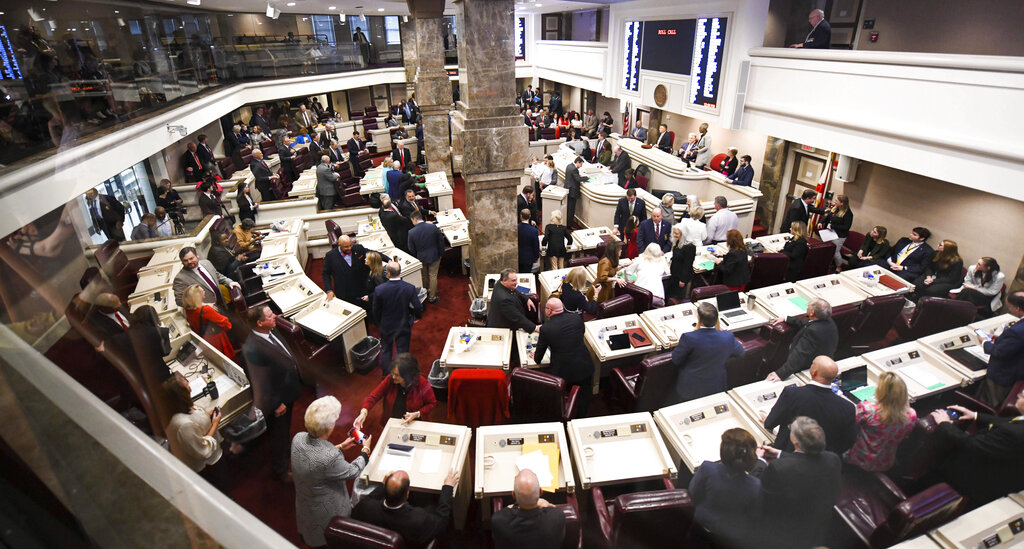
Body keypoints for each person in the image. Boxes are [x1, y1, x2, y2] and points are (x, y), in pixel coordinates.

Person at [291, 396, 372, 548]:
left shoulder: (298, 438)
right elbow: (353, 471)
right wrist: (365, 450)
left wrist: (340, 446)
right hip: (326, 516)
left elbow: (315, 457)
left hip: (305, 508)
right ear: (329, 428)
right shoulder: (330, 458)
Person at [755, 416, 841, 549]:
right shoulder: (833, 459)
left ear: (794, 440)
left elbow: (758, 490)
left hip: (788, 532)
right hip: (821, 525)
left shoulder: (779, 469)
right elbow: (806, 461)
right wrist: (780, 454)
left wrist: (759, 461)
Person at [930, 388, 1024, 509]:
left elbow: (970, 444)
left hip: (975, 481)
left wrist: (944, 423)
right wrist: (975, 416)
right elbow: (1008, 422)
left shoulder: (1015, 433)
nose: (1020, 393)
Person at [243, 305, 302, 482]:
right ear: (259, 323)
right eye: (270, 316)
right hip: (276, 402)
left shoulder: (271, 330)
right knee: (278, 434)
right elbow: (260, 384)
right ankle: (281, 470)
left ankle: (285, 450)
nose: (275, 316)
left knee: (284, 431)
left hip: (287, 392)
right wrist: (277, 403)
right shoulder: (252, 349)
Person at [764, 356, 857, 455]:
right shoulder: (848, 408)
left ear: (814, 371)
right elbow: (848, 442)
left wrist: (767, 419)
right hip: (825, 462)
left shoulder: (792, 394)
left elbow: (769, 423)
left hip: (789, 456)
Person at [688, 429, 761, 548]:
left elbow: (692, 496)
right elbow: (754, 515)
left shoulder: (707, 468)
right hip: (731, 537)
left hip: (701, 526)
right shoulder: (755, 485)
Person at [353, 468, 459, 548]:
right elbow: (442, 520)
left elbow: (370, 498)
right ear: (407, 494)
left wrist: (383, 485)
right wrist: (448, 488)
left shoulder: (366, 506)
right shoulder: (419, 519)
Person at [672, 303, 745, 403]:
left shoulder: (688, 338)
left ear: (699, 319)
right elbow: (740, 352)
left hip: (690, 389)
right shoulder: (728, 336)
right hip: (716, 386)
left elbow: (676, 359)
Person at [845, 372, 916, 472]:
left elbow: (847, 425)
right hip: (886, 462)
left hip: (859, 459)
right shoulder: (911, 414)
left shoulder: (868, 409)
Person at [535, 298, 594, 415]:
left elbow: (538, 358)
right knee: (584, 397)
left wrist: (536, 355)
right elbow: (580, 334)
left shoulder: (546, 328)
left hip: (564, 372)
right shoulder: (577, 318)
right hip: (585, 366)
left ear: (548, 310)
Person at [354, 353, 437, 430]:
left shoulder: (423, 384)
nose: (393, 377)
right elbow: (373, 397)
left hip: (415, 424)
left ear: (407, 375)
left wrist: (417, 413)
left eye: (397, 375)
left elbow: (431, 403)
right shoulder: (390, 380)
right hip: (393, 422)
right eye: (392, 373)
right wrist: (363, 413)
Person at [162, 372, 223, 472]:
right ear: (181, 393)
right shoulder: (184, 425)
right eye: (185, 382)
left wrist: (206, 414)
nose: (188, 382)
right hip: (206, 467)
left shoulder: (179, 405)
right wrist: (215, 424)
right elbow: (203, 449)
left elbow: (195, 420)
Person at [765, 299, 838, 381]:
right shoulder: (828, 322)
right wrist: (786, 318)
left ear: (812, 313)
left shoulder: (813, 331)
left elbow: (800, 354)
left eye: (808, 306)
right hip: (823, 361)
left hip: (807, 366)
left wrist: (780, 374)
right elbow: (807, 324)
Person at [491, 470, 566, 549]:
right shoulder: (557, 517)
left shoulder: (498, 520)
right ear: (540, 492)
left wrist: (513, 506)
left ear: (513, 495)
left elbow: (507, 510)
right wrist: (542, 503)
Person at [373, 262, 423, 376]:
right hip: (403, 324)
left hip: (386, 325)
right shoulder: (409, 288)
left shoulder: (379, 289)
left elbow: (375, 310)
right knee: (402, 351)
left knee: (386, 351)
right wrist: (417, 317)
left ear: (388, 273)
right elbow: (418, 306)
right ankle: (402, 375)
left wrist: (379, 324)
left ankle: (386, 376)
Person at [975, 291, 1024, 407]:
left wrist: (984, 342)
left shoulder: (1017, 331)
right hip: (1018, 374)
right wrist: (1000, 339)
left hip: (1003, 376)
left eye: (1010, 307)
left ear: (1017, 308)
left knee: (988, 404)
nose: (1009, 309)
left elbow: (999, 352)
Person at [172, 247, 240, 307]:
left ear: (197, 256)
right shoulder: (180, 279)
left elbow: (218, 276)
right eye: (185, 261)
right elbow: (180, 301)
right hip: (207, 312)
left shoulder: (206, 263)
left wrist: (229, 282)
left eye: (191, 258)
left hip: (223, 303)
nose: (189, 262)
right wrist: (201, 305)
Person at [182, 284, 234, 359]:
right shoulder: (206, 310)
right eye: (202, 291)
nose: (204, 291)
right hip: (216, 340)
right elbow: (225, 323)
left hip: (204, 340)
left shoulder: (188, 308)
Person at [406, 211, 445, 304]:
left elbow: (411, 248)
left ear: (414, 219)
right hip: (434, 255)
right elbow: (440, 241)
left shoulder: (411, 232)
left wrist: (417, 255)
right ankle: (432, 297)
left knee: (423, 276)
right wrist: (441, 253)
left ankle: (426, 291)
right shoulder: (433, 227)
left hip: (421, 257)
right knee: (433, 276)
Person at [323, 235, 370, 306]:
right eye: (346, 247)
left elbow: (373, 253)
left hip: (361, 290)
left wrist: (388, 260)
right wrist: (329, 290)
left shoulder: (358, 248)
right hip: (344, 293)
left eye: (350, 245)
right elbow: (325, 274)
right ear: (339, 245)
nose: (349, 248)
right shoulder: (330, 256)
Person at [488, 268, 538, 332]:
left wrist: (527, 299)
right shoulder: (504, 300)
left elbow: (514, 290)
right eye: (513, 281)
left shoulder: (500, 283)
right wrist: (535, 328)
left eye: (516, 280)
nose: (516, 282)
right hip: (505, 328)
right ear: (504, 280)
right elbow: (517, 317)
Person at [816, 194, 853, 269]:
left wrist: (833, 226)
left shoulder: (848, 214)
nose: (834, 202)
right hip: (829, 233)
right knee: (826, 249)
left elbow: (846, 227)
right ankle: (826, 263)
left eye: (836, 200)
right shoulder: (835, 208)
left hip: (839, 236)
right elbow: (828, 217)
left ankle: (839, 266)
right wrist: (820, 222)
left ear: (842, 203)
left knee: (835, 252)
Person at [667, 225, 697, 301]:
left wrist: (682, 280)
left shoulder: (690, 247)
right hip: (675, 273)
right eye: (674, 233)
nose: (674, 235)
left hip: (682, 276)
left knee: (677, 296)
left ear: (683, 234)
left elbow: (687, 265)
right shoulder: (678, 241)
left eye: (677, 234)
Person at [517, 209, 540, 274]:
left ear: (521, 216)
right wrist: (536, 257)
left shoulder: (516, 228)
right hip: (529, 258)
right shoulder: (534, 230)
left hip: (517, 256)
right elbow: (536, 245)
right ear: (530, 216)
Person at [564, 156, 583, 230]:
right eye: (581, 164)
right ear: (578, 162)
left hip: (568, 189)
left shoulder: (569, 166)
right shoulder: (574, 169)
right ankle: (569, 225)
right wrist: (586, 178)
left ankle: (568, 223)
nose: (581, 166)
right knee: (571, 209)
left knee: (568, 208)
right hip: (573, 191)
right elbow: (578, 179)